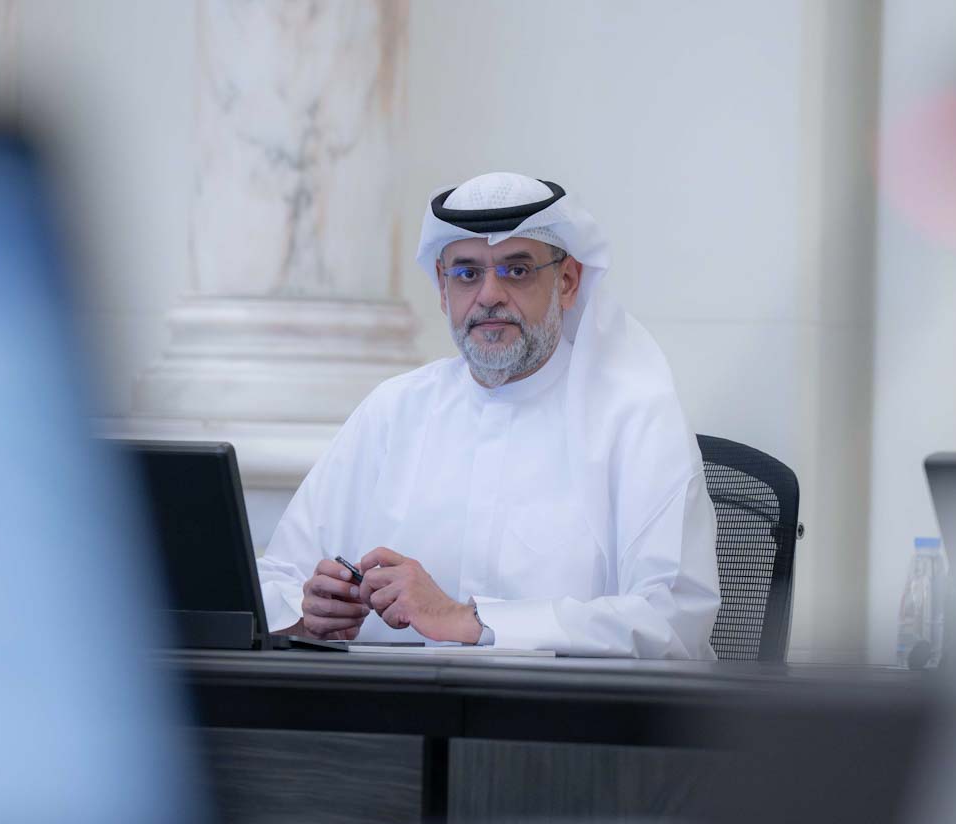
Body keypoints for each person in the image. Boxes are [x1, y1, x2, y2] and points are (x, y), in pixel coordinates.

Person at [256, 172, 720, 658]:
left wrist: (470, 621)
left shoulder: (634, 417)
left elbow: (672, 620)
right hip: (389, 701)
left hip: (560, 705)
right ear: (442, 289)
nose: (490, 294)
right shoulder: (393, 410)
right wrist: (307, 612)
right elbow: (275, 578)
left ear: (567, 282)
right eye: (467, 274)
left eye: (516, 270)